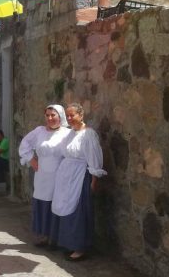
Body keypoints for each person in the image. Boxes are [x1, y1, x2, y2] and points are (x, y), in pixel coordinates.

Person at [50, 103, 106, 262]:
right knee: (65, 209)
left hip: (80, 176)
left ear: (81, 115)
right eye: (67, 115)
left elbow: (94, 158)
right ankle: (68, 243)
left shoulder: (88, 134)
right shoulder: (70, 134)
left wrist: (94, 180)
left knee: (78, 212)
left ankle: (80, 247)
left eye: (72, 115)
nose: (69, 118)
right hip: (66, 177)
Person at [17, 105, 71, 247]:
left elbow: (72, 154)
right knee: (42, 203)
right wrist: (31, 159)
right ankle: (43, 235)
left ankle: (55, 238)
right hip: (41, 175)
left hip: (59, 175)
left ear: (60, 116)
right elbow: (25, 144)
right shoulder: (39, 131)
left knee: (56, 203)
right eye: (47, 115)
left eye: (53, 115)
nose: (50, 118)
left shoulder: (67, 134)